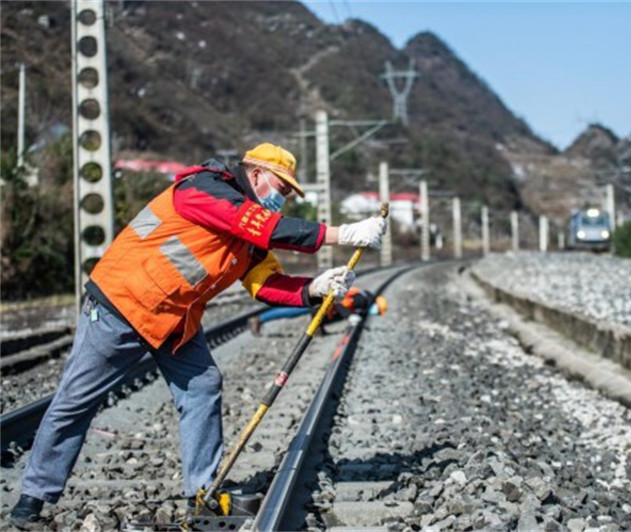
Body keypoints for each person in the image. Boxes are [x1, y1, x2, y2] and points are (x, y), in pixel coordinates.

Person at [8, 142, 386, 529]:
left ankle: (201, 492)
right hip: (121, 306)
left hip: (174, 319)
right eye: (281, 187)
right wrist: (345, 234)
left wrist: (315, 288)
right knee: (77, 399)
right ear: (255, 174)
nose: (283, 198)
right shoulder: (203, 189)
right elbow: (263, 228)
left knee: (203, 385)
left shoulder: (248, 224)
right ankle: (32, 499)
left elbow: (264, 282)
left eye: (288, 192)